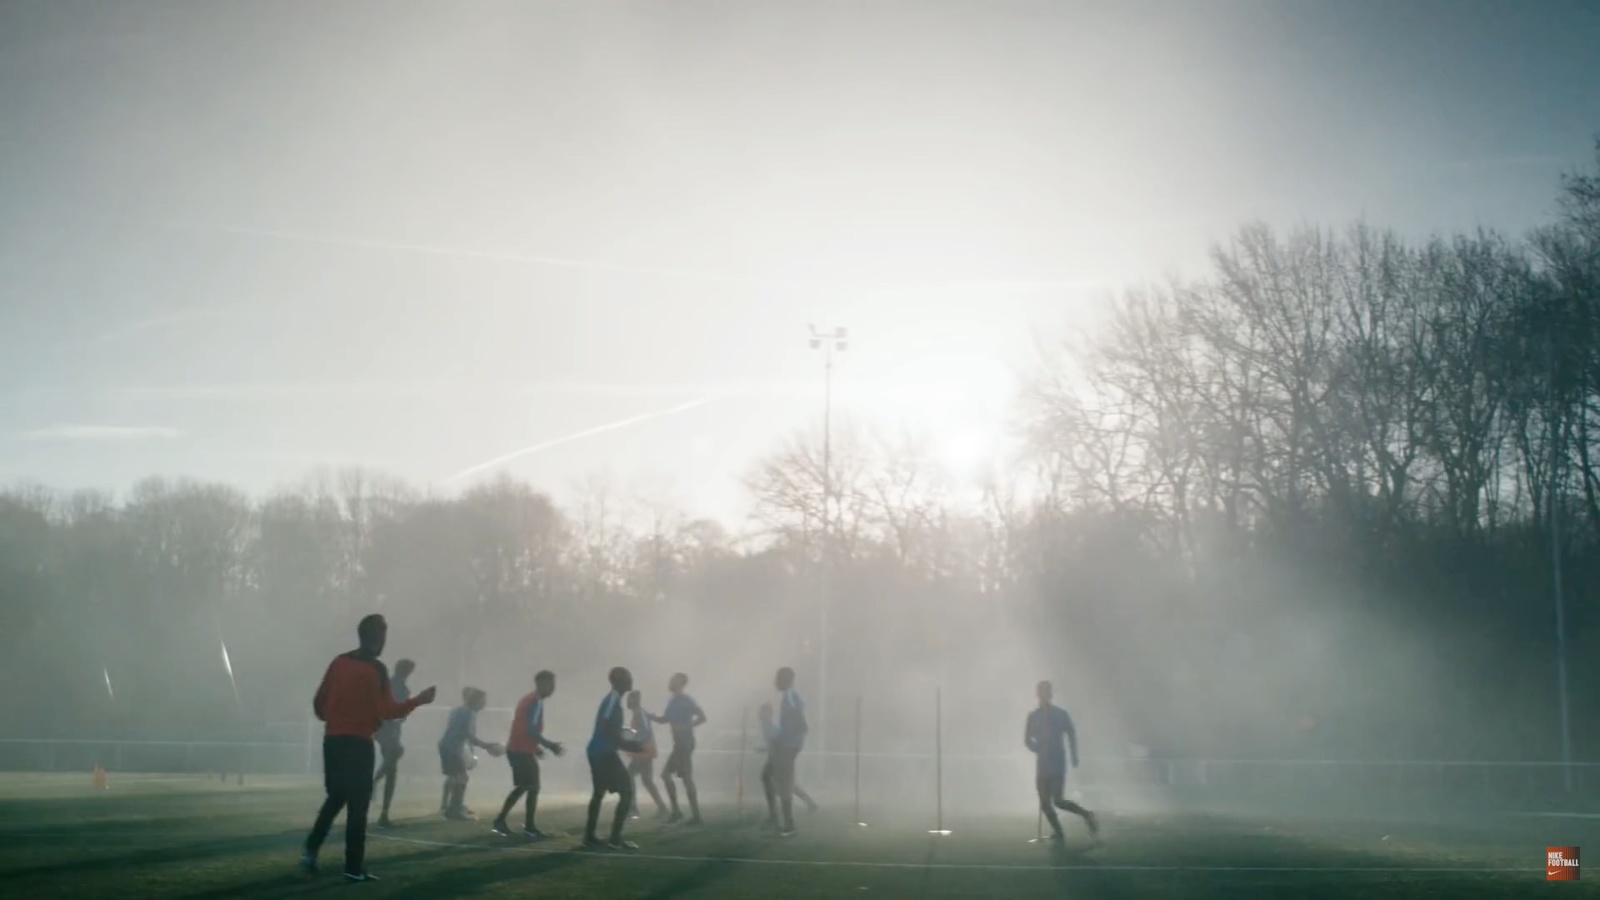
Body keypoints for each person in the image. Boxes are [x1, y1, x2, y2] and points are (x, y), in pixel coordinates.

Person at [302, 614, 437, 883]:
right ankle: (353, 867)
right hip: (358, 742)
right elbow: (387, 711)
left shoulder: (339, 662)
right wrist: (419, 700)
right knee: (358, 805)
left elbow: (319, 703)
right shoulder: (375, 669)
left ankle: (310, 850)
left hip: (333, 741)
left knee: (336, 797)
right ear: (377, 638)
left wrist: (335, 718)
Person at [1025, 680, 1099, 843]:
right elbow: (1027, 739)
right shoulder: (1033, 716)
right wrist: (1035, 747)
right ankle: (1059, 832)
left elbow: (1071, 733)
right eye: (1041, 691)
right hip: (1042, 763)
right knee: (1044, 803)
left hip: (1057, 761)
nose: (1044, 695)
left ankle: (1086, 815)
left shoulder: (1060, 714)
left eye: (1046, 692)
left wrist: (1074, 754)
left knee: (1058, 800)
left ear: (1050, 694)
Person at [493, 670, 564, 838]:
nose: (553, 688)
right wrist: (550, 745)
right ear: (541, 684)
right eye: (550, 684)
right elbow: (530, 729)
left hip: (519, 748)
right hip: (520, 750)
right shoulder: (535, 701)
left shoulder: (530, 699)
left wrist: (536, 748)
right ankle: (528, 827)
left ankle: (503, 821)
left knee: (525, 786)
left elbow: (524, 727)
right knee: (531, 787)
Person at [583, 666, 647, 850]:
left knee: (598, 794)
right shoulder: (612, 700)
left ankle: (589, 836)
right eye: (628, 677)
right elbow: (604, 727)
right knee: (626, 791)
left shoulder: (614, 700)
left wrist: (623, 741)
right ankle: (614, 838)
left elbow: (607, 727)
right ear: (619, 681)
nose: (631, 679)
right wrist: (626, 744)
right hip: (603, 753)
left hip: (598, 752)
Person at [438, 687, 503, 821]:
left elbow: (462, 733)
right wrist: (486, 745)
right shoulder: (469, 713)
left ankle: (453, 806)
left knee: (457, 777)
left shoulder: (459, 710)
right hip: (452, 747)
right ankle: (454, 810)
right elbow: (467, 734)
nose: (484, 703)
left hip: (447, 745)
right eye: (483, 700)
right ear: (477, 701)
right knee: (461, 777)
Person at [649, 672, 706, 825]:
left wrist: (686, 727)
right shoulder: (673, 701)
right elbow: (666, 719)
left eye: (673, 680)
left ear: (680, 684)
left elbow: (702, 717)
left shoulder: (686, 700)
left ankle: (694, 815)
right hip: (679, 744)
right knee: (671, 776)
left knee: (682, 777)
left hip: (685, 743)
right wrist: (651, 717)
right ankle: (680, 812)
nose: (670, 682)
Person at [761, 666, 806, 837]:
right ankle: (775, 816)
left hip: (788, 745)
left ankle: (789, 823)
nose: (775, 682)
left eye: (778, 679)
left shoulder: (791, 698)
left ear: (785, 680)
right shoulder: (789, 697)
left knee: (783, 782)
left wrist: (787, 741)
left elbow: (800, 723)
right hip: (785, 744)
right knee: (767, 775)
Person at [372, 658, 415, 829]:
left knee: (392, 766)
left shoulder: (394, 685)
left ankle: (383, 809)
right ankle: (383, 812)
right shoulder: (393, 686)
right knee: (393, 765)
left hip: (389, 729)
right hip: (386, 729)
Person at [756, 701, 817, 813]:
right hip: (775, 757)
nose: (760, 714)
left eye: (763, 712)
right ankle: (809, 803)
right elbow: (772, 743)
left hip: (778, 759)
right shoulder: (766, 726)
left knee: (779, 781)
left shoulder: (774, 727)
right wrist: (764, 749)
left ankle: (776, 811)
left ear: (769, 713)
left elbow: (780, 741)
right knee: (784, 783)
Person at [624, 690, 668, 820]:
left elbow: (646, 732)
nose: (627, 702)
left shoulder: (639, 714)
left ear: (635, 700)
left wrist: (635, 743)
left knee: (629, 776)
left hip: (643, 753)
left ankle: (633, 808)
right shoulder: (639, 713)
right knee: (647, 781)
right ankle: (662, 808)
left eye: (630, 699)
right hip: (645, 752)